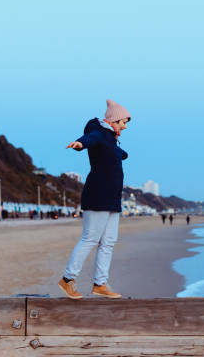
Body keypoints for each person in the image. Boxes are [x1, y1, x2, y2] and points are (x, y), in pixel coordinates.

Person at [58, 99, 131, 300]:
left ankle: (100, 284)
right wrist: (79, 144)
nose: (125, 126)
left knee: (108, 242)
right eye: (123, 122)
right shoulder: (99, 133)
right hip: (98, 195)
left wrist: (120, 153)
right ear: (114, 120)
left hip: (113, 199)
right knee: (90, 238)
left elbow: (114, 153)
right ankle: (67, 280)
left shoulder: (111, 139)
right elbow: (89, 139)